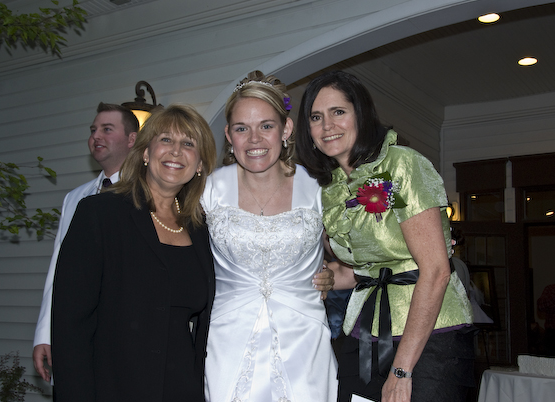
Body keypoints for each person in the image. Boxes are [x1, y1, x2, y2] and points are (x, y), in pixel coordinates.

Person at [296, 70, 474, 402]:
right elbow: (357, 271)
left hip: (431, 337)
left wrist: (401, 371)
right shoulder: (329, 189)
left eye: (338, 112)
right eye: (316, 117)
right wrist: (307, 277)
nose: (327, 126)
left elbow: (436, 270)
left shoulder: (403, 164)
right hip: (365, 332)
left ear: (361, 114)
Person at [51, 104, 217, 402]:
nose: (176, 151)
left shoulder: (201, 229)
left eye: (188, 144)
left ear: (200, 164)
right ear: (145, 153)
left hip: (183, 390)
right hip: (112, 388)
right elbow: (70, 326)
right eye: (166, 139)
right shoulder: (100, 213)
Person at [202, 71, 338, 402]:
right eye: (241, 129)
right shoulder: (209, 190)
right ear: (228, 136)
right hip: (226, 341)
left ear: (286, 129)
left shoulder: (318, 187)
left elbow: (358, 252)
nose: (254, 139)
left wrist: (335, 273)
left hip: (305, 342)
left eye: (266, 126)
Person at [33, 102, 138, 382]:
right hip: (77, 333)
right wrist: (45, 334)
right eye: (93, 130)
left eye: (107, 129)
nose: (96, 136)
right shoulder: (75, 198)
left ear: (131, 139)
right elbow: (59, 269)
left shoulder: (147, 194)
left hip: (129, 332)